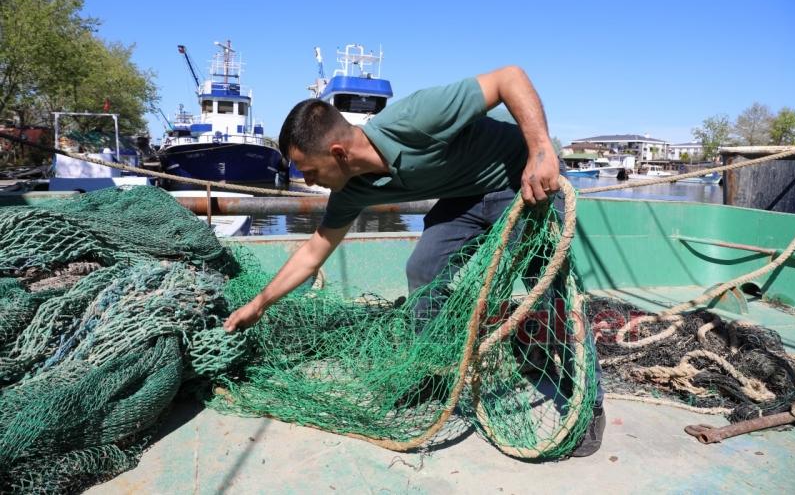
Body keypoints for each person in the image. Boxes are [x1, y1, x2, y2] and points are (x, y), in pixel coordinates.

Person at [223, 65, 605, 457]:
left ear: (338, 153)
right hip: (465, 198)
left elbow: (510, 78)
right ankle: (433, 371)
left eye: (310, 169)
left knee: (552, 286)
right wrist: (258, 305)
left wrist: (542, 151)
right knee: (422, 269)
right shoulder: (351, 190)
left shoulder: (415, 118)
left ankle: (588, 400)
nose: (307, 179)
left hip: (520, 179)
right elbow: (312, 252)